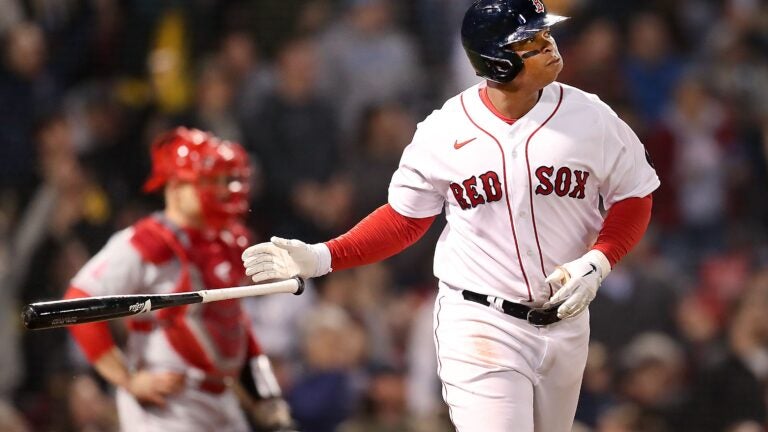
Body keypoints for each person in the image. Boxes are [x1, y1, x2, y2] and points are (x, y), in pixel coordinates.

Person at [242, 0, 660, 431]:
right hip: (481, 319)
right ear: (497, 61)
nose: (549, 44)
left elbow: (635, 194)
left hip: (567, 323)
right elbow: (404, 220)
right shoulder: (445, 129)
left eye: (545, 34)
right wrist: (324, 256)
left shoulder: (591, 116)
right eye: (531, 41)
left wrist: (600, 259)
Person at [63, 127, 294, 432]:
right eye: (211, 181)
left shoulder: (228, 241)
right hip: (168, 403)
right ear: (175, 187)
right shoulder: (149, 240)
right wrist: (127, 379)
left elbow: (234, 323)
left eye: (227, 180)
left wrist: (266, 395)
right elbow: (79, 299)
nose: (225, 190)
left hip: (221, 398)